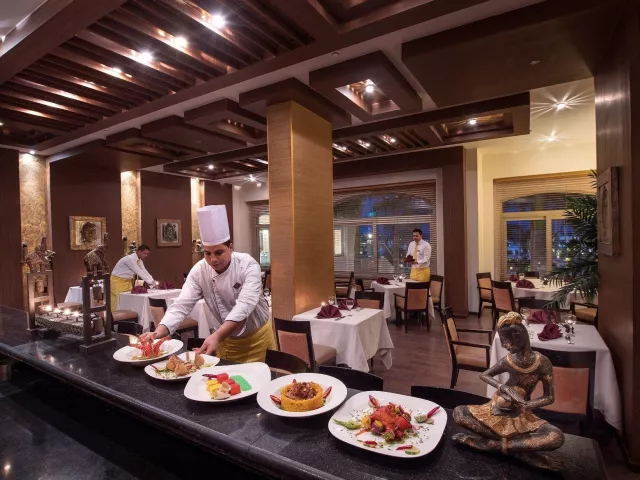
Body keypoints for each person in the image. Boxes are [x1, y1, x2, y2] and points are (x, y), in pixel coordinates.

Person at [139, 205, 275, 363]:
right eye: (207, 253)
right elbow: (181, 306)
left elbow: (244, 305)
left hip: (256, 339)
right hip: (224, 340)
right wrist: (156, 333)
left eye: (219, 252)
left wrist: (216, 335)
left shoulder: (247, 265)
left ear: (231, 248)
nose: (213, 259)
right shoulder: (199, 270)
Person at [452, 311, 564, 471]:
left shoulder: (542, 363)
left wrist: (527, 405)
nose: (504, 346)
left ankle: (492, 445)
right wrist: (503, 387)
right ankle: (520, 451)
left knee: (556, 437)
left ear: (517, 337)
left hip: (521, 414)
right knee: (459, 413)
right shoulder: (509, 360)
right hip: (497, 409)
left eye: (506, 341)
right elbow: (484, 375)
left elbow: (549, 397)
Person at [110, 244, 156, 311]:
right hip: (117, 281)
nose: (146, 255)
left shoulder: (139, 261)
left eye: (147, 254)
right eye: (145, 253)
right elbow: (138, 271)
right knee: (118, 299)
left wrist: (153, 282)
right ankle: (113, 315)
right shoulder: (130, 259)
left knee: (129, 299)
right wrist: (151, 283)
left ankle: (126, 315)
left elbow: (144, 271)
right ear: (139, 251)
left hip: (127, 282)